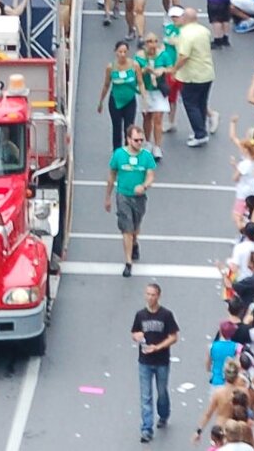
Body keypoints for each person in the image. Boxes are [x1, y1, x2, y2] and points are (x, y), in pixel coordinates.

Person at [104, 126, 156, 275]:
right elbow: (112, 175)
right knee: (127, 228)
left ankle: (134, 243)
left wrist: (144, 186)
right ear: (128, 139)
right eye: (136, 140)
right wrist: (108, 197)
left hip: (139, 198)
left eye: (141, 140)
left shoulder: (146, 156)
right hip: (123, 196)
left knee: (135, 227)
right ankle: (128, 261)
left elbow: (151, 175)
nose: (139, 143)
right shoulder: (119, 155)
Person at [131, 282, 179, 444]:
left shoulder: (166, 315)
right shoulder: (140, 315)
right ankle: (146, 428)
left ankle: (164, 414)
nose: (150, 297)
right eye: (148, 294)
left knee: (162, 392)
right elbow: (134, 332)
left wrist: (157, 347)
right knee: (146, 396)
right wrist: (136, 336)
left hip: (161, 361)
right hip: (144, 361)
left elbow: (174, 336)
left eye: (153, 295)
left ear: (158, 296)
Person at [169, 6, 217, 146]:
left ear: (185, 18)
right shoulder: (204, 31)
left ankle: (200, 133)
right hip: (207, 72)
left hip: (192, 75)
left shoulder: (185, 34)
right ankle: (201, 130)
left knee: (191, 104)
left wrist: (174, 69)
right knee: (202, 103)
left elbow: (184, 56)